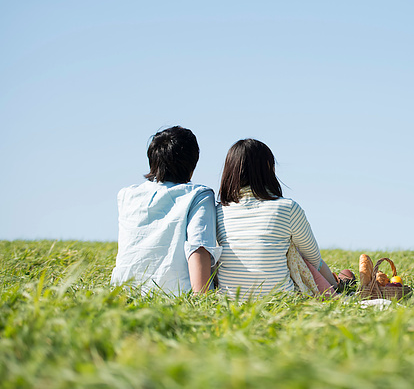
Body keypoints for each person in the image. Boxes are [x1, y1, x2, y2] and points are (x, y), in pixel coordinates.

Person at [215, 138, 348, 297]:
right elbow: (313, 258)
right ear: (268, 169)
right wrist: (335, 287)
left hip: (230, 301)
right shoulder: (287, 208)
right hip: (280, 299)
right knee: (295, 249)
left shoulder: (218, 212)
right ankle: (339, 285)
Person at [111, 126, 221, 294]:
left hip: (122, 295)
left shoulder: (126, 195)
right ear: (192, 163)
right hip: (174, 296)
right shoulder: (198, 195)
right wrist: (203, 302)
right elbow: (198, 247)